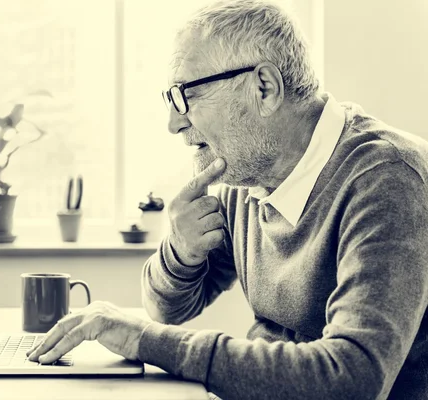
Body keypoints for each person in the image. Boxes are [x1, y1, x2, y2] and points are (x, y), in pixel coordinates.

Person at [26, 0, 428, 398]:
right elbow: (167, 310)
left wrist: (149, 341)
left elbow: (352, 380)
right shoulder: (245, 177)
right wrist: (182, 252)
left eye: (187, 95)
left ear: (264, 88)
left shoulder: (388, 179)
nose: (173, 122)